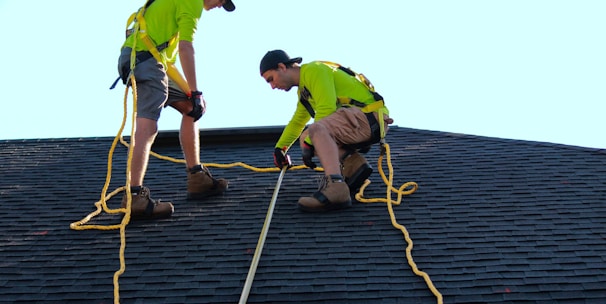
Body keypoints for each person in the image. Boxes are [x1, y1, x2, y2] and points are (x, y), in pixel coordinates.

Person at [115, 0, 236, 220]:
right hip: (145, 61)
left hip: (151, 60)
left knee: (192, 108)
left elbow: (168, 59)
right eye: (222, 0)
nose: (220, 4)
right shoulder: (193, 3)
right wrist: (197, 90)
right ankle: (134, 196)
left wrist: (192, 93)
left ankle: (197, 178)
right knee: (147, 126)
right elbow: (186, 47)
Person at [259, 50, 393, 213]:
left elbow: (326, 108)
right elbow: (297, 121)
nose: (272, 87)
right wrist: (280, 148)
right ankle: (354, 165)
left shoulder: (313, 70)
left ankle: (336, 187)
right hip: (360, 120)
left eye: (271, 79)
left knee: (314, 131)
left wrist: (310, 141)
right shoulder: (304, 91)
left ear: (282, 67)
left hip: (367, 117)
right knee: (308, 135)